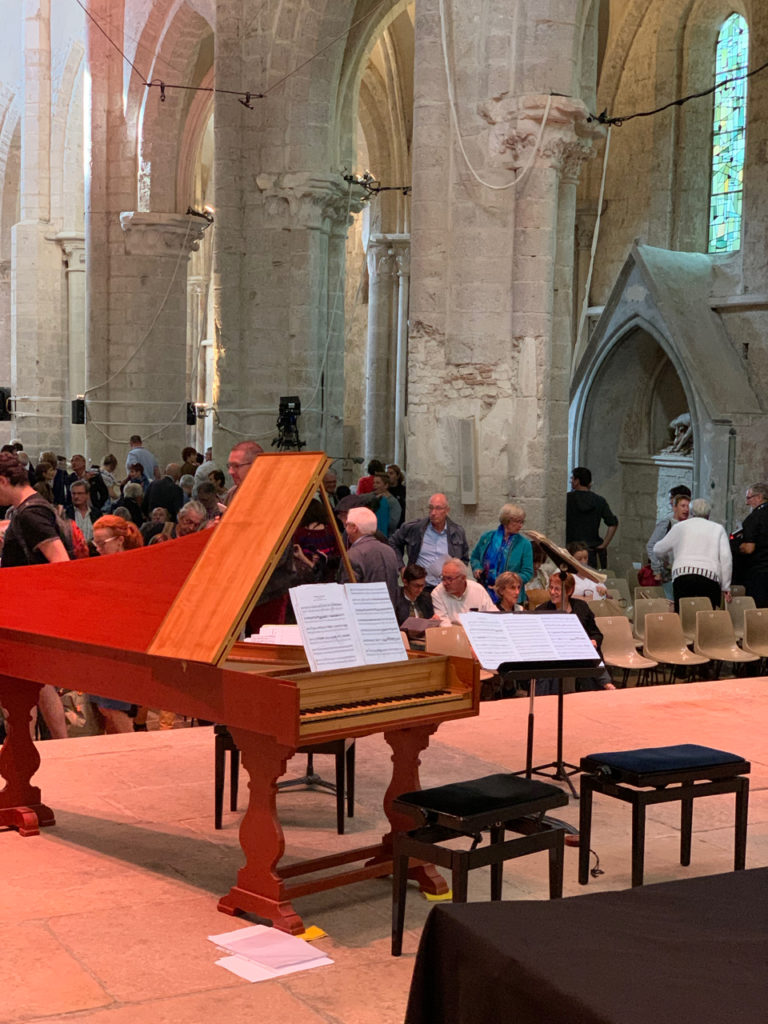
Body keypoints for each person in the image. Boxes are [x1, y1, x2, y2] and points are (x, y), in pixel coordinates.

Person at [0, 452, 70, 739]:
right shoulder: (33, 508)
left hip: (30, 612)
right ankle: (59, 746)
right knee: (39, 685)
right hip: (33, 610)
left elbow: (61, 561)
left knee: (18, 686)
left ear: (3, 480)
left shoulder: (29, 513)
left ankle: (19, 749)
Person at [88, 516, 144, 733]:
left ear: (120, 540)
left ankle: (135, 754)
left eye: (102, 543)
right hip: (104, 642)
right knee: (105, 707)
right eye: (95, 543)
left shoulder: (133, 568)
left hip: (122, 645)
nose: (98, 548)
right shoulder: (106, 566)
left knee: (114, 707)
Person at [534, 572, 615, 692]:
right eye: (551, 588)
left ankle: (599, 691)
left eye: (557, 589)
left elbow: (596, 634)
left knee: (587, 652)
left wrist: (593, 641)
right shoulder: (542, 610)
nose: (552, 592)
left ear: (569, 591)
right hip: (555, 655)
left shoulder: (581, 607)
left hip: (579, 652)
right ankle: (606, 683)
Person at [653, 498, 732, 611]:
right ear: (708, 515)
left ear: (691, 513)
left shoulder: (679, 527)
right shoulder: (718, 529)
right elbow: (726, 559)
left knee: (684, 617)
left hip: (682, 576)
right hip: (709, 578)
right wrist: (726, 586)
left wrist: (665, 559)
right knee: (707, 618)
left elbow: (658, 549)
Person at [389, 493, 469, 589]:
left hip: (445, 587)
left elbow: (464, 559)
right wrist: (401, 567)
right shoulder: (414, 528)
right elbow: (393, 543)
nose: (433, 512)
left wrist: (455, 578)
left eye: (438, 508)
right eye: (431, 508)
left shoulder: (457, 532)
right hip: (420, 586)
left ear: (447, 510)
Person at [470, 503, 534, 603]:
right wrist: (477, 568)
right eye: (517, 521)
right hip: (485, 593)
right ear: (506, 521)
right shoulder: (487, 538)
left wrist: (508, 583)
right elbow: (475, 557)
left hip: (511, 597)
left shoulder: (524, 544)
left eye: (522, 522)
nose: (520, 525)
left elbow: (527, 572)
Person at [340, 505, 400, 605]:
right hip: (389, 613)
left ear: (354, 528)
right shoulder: (389, 551)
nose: (346, 530)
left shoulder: (353, 555)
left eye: (347, 525)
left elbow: (347, 592)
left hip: (363, 614)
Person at [566, 467, 618, 569]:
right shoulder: (599, 500)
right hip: (592, 550)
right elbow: (613, 523)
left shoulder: (567, 499)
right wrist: (604, 544)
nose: (571, 481)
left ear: (577, 481)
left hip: (571, 551)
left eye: (572, 478)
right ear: (589, 483)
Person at [646, 488, 691, 595]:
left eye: (688, 506)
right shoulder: (667, 523)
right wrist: (657, 569)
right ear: (675, 507)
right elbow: (651, 545)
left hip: (685, 571)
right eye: (683, 506)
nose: (686, 510)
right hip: (669, 572)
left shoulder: (690, 524)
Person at [431, 557, 495, 624]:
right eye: (443, 578)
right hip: (453, 632)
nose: (445, 583)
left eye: (449, 579)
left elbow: (493, 613)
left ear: (463, 578)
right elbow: (444, 623)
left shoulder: (478, 589)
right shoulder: (437, 593)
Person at [739, 482, 768, 607]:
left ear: (759, 497)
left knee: (759, 611)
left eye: (748, 498)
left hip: (760, 573)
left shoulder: (754, 518)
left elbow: (749, 548)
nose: (747, 503)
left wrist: (738, 546)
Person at [363, 471, 402, 538]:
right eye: (374, 483)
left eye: (378, 483)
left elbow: (392, 524)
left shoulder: (393, 502)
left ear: (386, 485)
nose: (374, 485)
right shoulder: (371, 496)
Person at [224, 440, 264, 504]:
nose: (230, 472)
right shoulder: (232, 494)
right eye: (230, 466)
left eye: (236, 466)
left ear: (255, 465)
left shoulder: (272, 493)